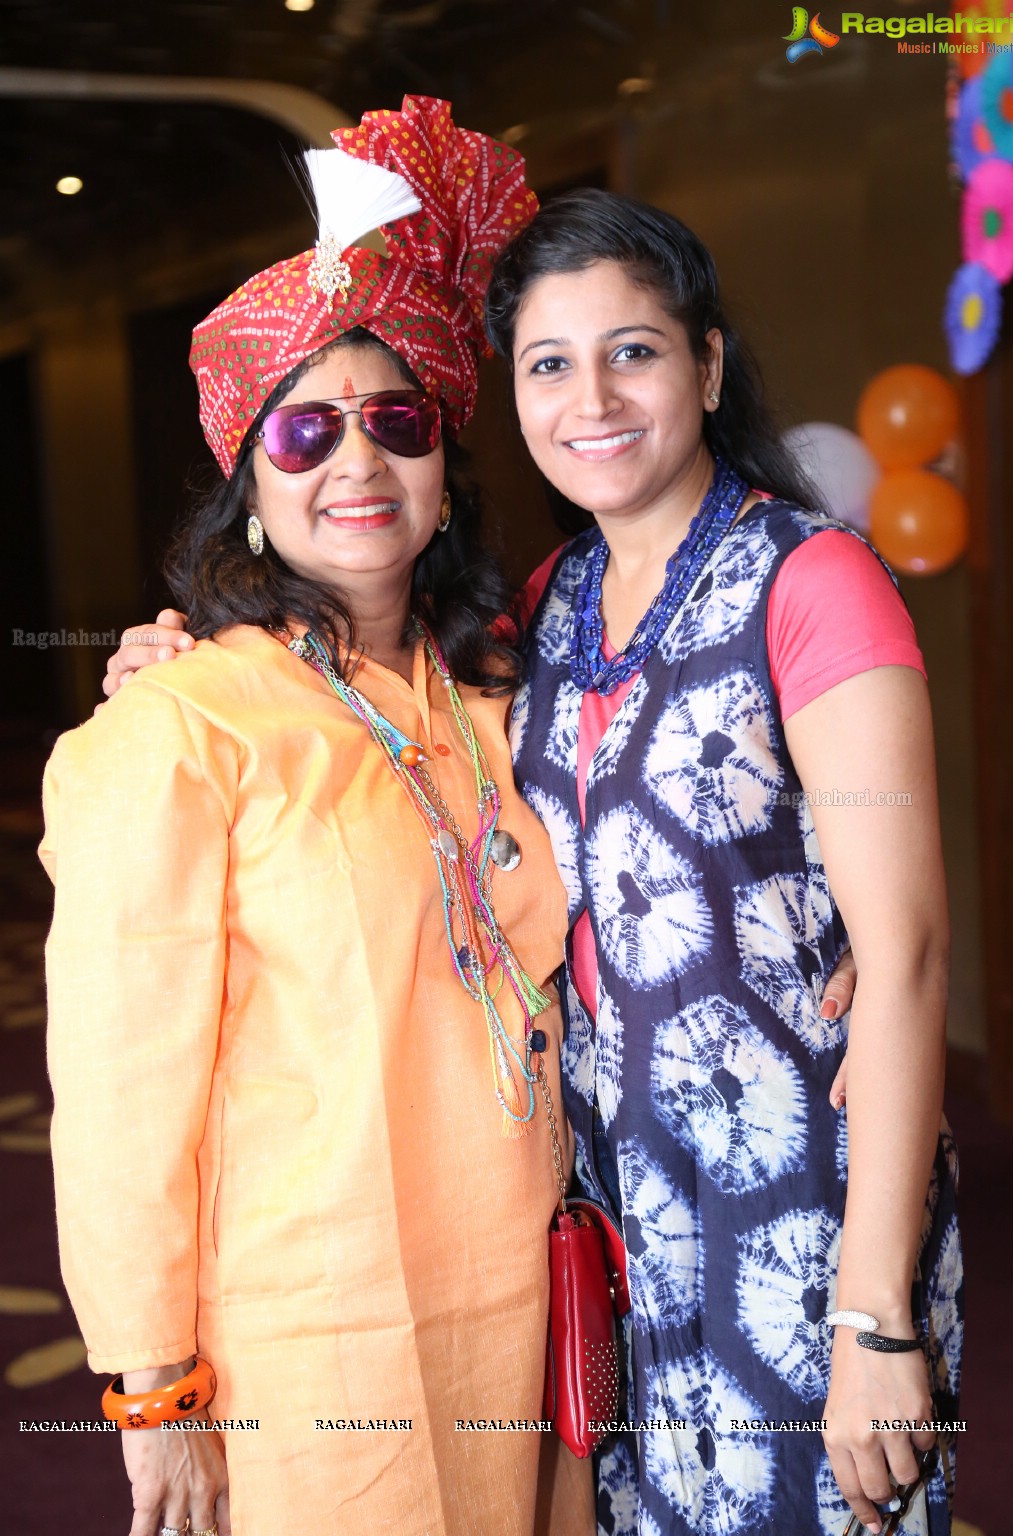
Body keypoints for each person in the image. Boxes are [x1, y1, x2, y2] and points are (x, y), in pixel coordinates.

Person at [40, 97, 595, 1536]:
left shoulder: (490, 701)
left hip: (519, 1300)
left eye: (396, 422)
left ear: (442, 469)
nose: (357, 462)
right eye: (306, 430)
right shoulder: (178, 730)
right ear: (250, 482)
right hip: (312, 1330)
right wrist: (153, 1385)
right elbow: (117, 1093)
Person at [483, 190, 963, 1536]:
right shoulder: (546, 604)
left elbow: (910, 953)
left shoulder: (812, 580)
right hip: (623, 1212)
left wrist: (873, 1317)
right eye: (549, 363)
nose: (595, 397)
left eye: (633, 349)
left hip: (801, 1207)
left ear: (704, 364)